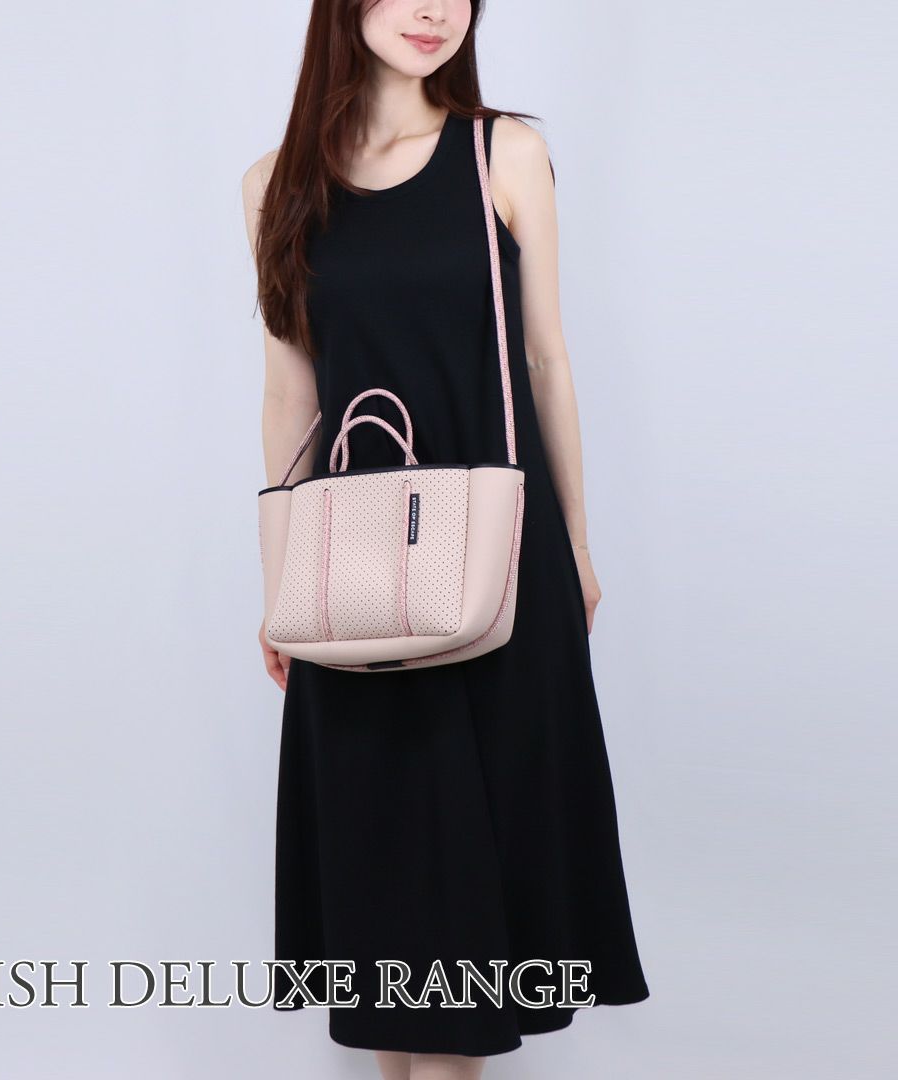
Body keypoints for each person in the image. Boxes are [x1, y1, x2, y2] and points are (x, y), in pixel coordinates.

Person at [242, 2, 650, 1076]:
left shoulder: (503, 152)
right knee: (382, 891)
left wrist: (576, 546)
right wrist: (280, 586)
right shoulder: (275, 184)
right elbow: (291, 395)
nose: (434, 11)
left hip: (498, 557)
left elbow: (547, 359)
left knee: (474, 885)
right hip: (353, 568)